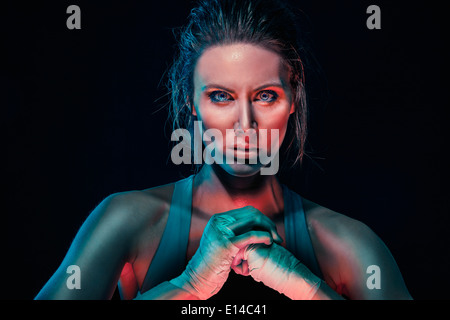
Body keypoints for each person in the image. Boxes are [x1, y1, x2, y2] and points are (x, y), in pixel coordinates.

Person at [35, 0, 412, 300]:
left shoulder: (347, 243)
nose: (244, 125)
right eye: (221, 96)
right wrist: (190, 284)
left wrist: (306, 288)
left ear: (293, 97)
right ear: (190, 101)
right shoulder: (128, 221)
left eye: (266, 96)